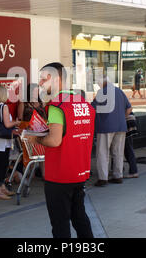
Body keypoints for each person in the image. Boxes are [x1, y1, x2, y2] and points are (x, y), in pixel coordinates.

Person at [27, 62, 95, 238]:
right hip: (80, 171)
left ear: (56, 79)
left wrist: (35, 138)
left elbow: (55, 141)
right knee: (80, 217)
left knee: (60, 224)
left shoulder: (57, 107)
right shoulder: (84, 103)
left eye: (43, 79)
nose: (40, 84)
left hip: (59, 174)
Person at [92, 76, 133, 187]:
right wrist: (121, 118)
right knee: (118, 152)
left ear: (102, 83)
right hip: (120, 126)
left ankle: (103, 178)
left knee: (102, 152)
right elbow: (129, 108)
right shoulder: (119, 91)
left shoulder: (102, 92)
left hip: (105, 126)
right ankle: (118, 176)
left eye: (99, 84)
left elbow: (92, 109)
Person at [0, 85, 21, 200]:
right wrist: (15, 122)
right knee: (2, 165)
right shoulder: (3, 107)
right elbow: (7, 124)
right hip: (1, 140)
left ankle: (2, 188)